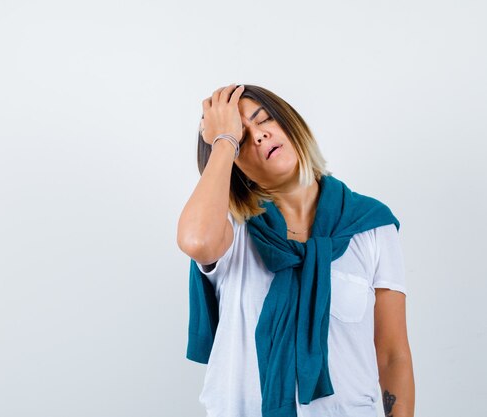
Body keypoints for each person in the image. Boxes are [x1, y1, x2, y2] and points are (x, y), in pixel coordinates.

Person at [177, 84, 415, 417]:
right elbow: (196, 242)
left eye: (264, 120)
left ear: (289, 123)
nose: (258, 136)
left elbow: (392, 354)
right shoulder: (229, 231)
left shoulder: (372, 225)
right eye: (242, 138)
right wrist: (222, 141)